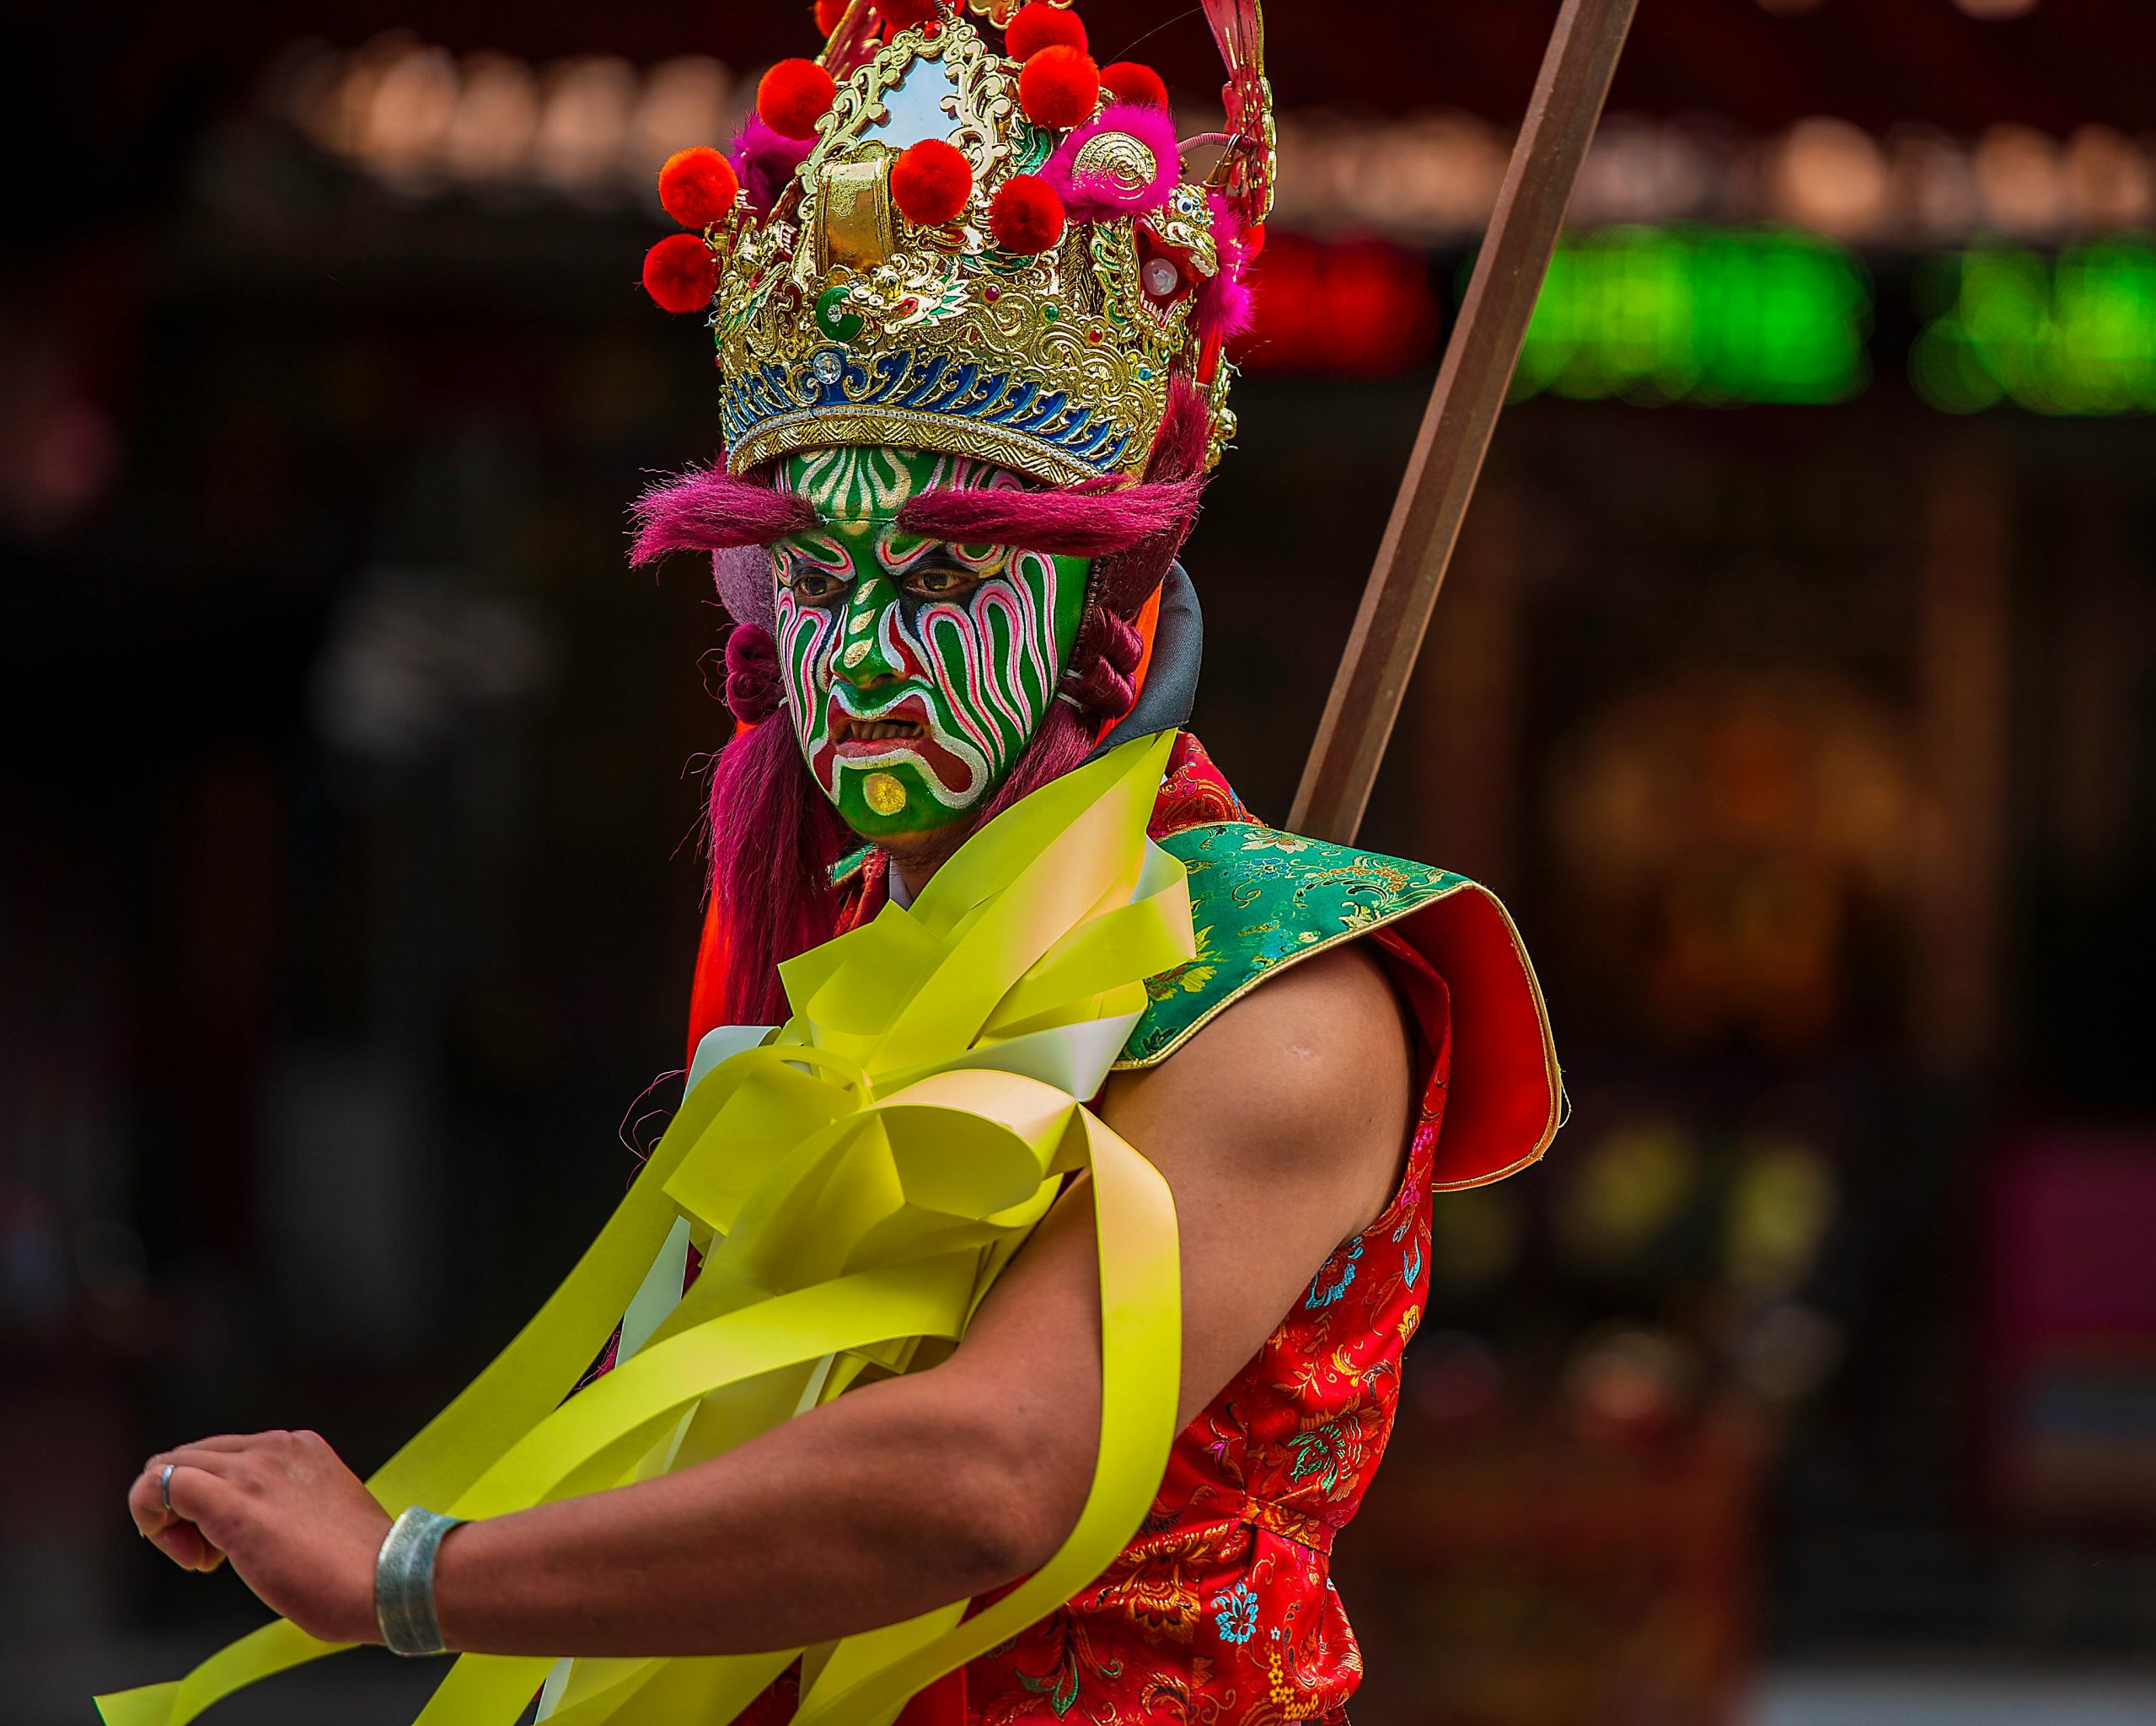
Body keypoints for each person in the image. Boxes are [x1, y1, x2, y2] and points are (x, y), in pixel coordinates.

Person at [120, 4, 1559, 1722]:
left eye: (945, 579)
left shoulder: (1286, 990)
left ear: (1095, 590)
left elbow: (987, 1474)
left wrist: (411, 1572)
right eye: (817, 574)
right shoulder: (849, 953)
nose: (864, 656)